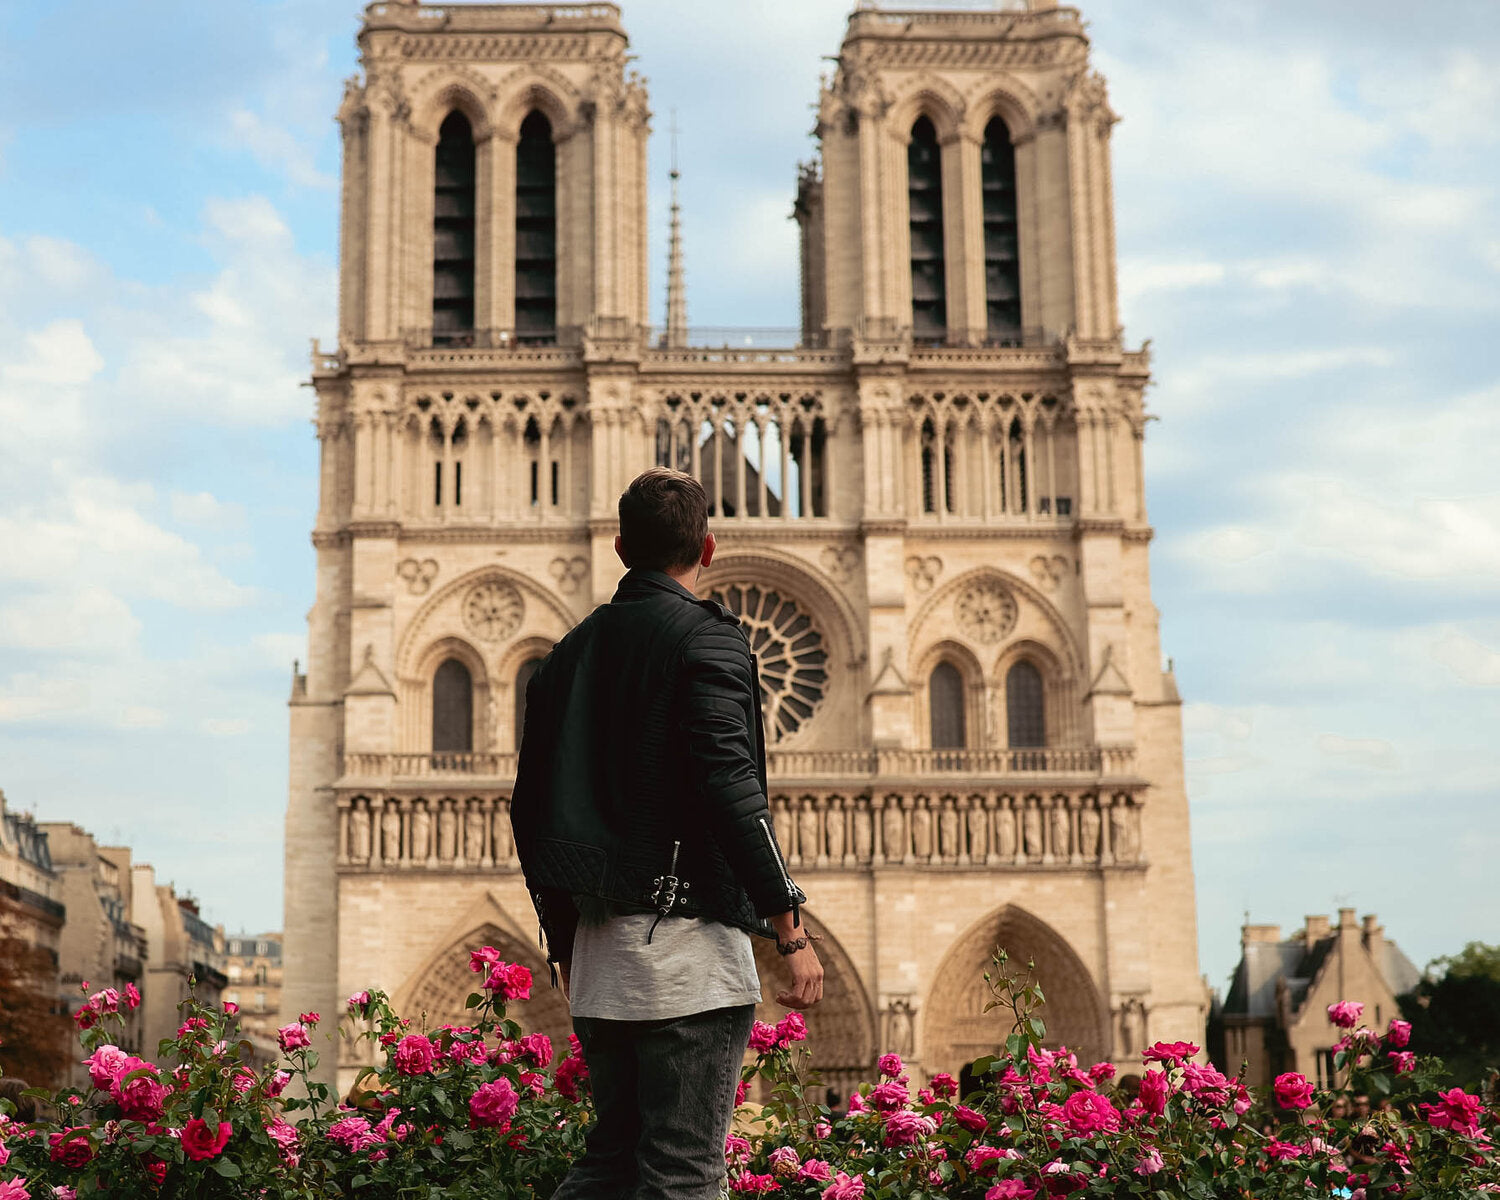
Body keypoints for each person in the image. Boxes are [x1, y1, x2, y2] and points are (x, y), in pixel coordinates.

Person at [512, 467, 823, 1200]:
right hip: (685, 954)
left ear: (620, 546)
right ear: (708, 548)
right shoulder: (708, 641)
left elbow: (532, 810)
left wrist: (561, 935)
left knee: (610, 1162)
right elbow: (731, 787)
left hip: (599, 958)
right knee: (685, 1171)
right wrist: (789, 926)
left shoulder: (566, 656)